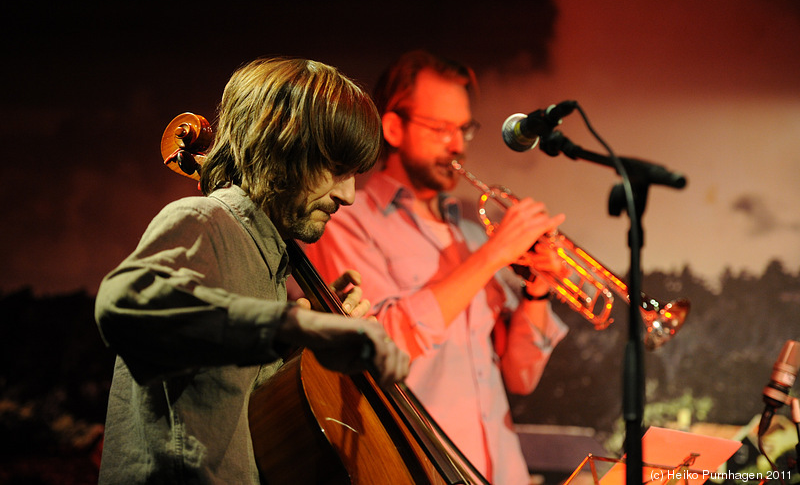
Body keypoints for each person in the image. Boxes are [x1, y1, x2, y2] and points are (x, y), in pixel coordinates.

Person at [94, 57, 410, 484]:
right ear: (278, 146)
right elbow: (123, 305)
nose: (349, 194)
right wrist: (302, 325)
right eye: (336, 169)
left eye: (354, 174)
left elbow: (239, 404)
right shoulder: (206, 221)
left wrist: (307, 347)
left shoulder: (272, 266)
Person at [304, 50, 568, 484]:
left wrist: (537, 289)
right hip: (421, 472)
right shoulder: (347, 223)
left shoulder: (467, 231)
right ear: (393, 127)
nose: (458, 145)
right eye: (440, 129)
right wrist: (490, 257)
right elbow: (377, 347)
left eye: (463, 128)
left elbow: (521, 377)